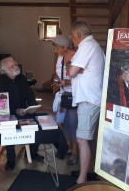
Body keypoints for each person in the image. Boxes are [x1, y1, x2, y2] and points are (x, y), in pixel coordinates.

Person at [67, 21, 105, 184]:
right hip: (91, 98)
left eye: (71, 35)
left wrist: (73, 67)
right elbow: (74, 70)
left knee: (82, 139)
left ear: (78, 35)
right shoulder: (93, 45)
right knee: (86, 138)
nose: (71, 39)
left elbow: (71, 72)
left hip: (89, 99)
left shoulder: (86, 46)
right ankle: (87, 172)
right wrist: (75, 67)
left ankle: (82, 179)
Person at [0, 57, 44, 171]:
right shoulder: (0, 81)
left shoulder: (21, 78)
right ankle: (11, 158)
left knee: (37, 124)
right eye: (12, 66)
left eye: (15, 64)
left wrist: (33, 106)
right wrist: (16, 111)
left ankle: (32, 151)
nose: (15, 66)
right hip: (8, 113)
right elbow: (0, 104)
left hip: (23, 111)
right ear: (5, 70)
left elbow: (29, 94)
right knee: (8, 128)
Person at [52, 35, 78, 165]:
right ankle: (68, 147)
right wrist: (59, 81)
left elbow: (81, 78)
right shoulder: (60, 57)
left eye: (57, 47)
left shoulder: (76, 56)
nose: (55, 51)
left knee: (73, 125)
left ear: (65, 47)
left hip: (74, 96)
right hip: (63, 94)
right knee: (63, 123)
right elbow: (59, 73)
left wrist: (66, 82)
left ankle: (75, 152)